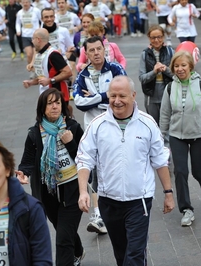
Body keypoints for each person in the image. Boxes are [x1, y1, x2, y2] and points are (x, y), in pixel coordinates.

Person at [76, 75, 175, 265]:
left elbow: (160, 160)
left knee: (135, 255)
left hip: (139, 201)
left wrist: (168, 192)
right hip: (108, 201)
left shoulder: (147, 124)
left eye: (122, 96)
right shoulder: (98, 125)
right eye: (112, 96)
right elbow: (84, 158)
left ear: (133, 96)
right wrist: (83, 192)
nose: (117, 101)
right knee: (121, 254)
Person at [17, 88, 85, 265]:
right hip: (48, 192)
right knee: (62, 228)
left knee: (62, 239)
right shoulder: (35, 133)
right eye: (50, 103)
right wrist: (23, 174)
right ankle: (78, 250)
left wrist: (70, 143)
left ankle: (69, 258)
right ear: (42, 108)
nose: (55, 106)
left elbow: (86, 158)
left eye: (58, 102)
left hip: (73, 190)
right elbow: (27, 161)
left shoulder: (73, 128)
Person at [73, 36, 126, 235]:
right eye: (91, 50)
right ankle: (98, 215)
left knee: (116, 165)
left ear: (104, 50)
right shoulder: (82, 75)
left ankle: (118, 205)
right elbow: (78, 102)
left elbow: (122, 95)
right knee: (95, 170)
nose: (96, 53)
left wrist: (96, 98)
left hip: (117, 125)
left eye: (98, 49)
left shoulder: (115, 70)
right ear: (86, 53)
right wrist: (106, 96)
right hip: (93, 128)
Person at [160, 50, 201, 227]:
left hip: (200, 135)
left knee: (198, 171)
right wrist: (161, 139)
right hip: (177, 135)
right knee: (180, 171)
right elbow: (164, 115)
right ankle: (186, 210)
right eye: (176, 66)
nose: (180, 69)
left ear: (190, 66)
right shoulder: (169, 88)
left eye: (183, 65)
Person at [139, 24, 173, 125]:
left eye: (159, 37)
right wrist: (154, 72)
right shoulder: (145, 54)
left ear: (163, 37)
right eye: (153, 38)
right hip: (151, 95)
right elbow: (142, 78)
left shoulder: (170, 52)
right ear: (149, 38)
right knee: (154, 125)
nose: (156, 40)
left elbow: (177, 75)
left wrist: (165, 69)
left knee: (168, 125)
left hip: (168, 93)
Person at [15, 0, 41, 66]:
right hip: (25, 36)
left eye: (26, 2)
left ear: (30, 3)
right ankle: (31, 68)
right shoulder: (19, 13)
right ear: (21, 4)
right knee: (29, 54)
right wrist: (18, 31)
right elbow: (18, 23)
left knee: (36, 54)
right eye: (23, 3)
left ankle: (37, 69)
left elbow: (42, 20)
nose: (25, 4)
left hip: (35, 35)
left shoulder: (36, 11)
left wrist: (41, 29)